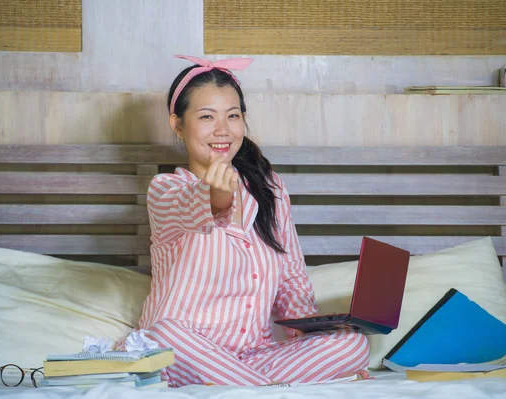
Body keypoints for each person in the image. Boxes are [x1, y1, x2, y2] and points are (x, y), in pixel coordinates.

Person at [118, 55, 370, 387]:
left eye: (232, 116)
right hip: (185, 348)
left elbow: (292, 280)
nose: (222, 130)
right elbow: (201, 203)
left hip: (252, 355)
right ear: (177, 124)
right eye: (207, 117)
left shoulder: (271, 189)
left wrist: (305, 326)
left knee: (352, 344)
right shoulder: (165, 190)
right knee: (163, 335)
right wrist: (219, 193)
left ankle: (243, 386)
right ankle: (266, 391)